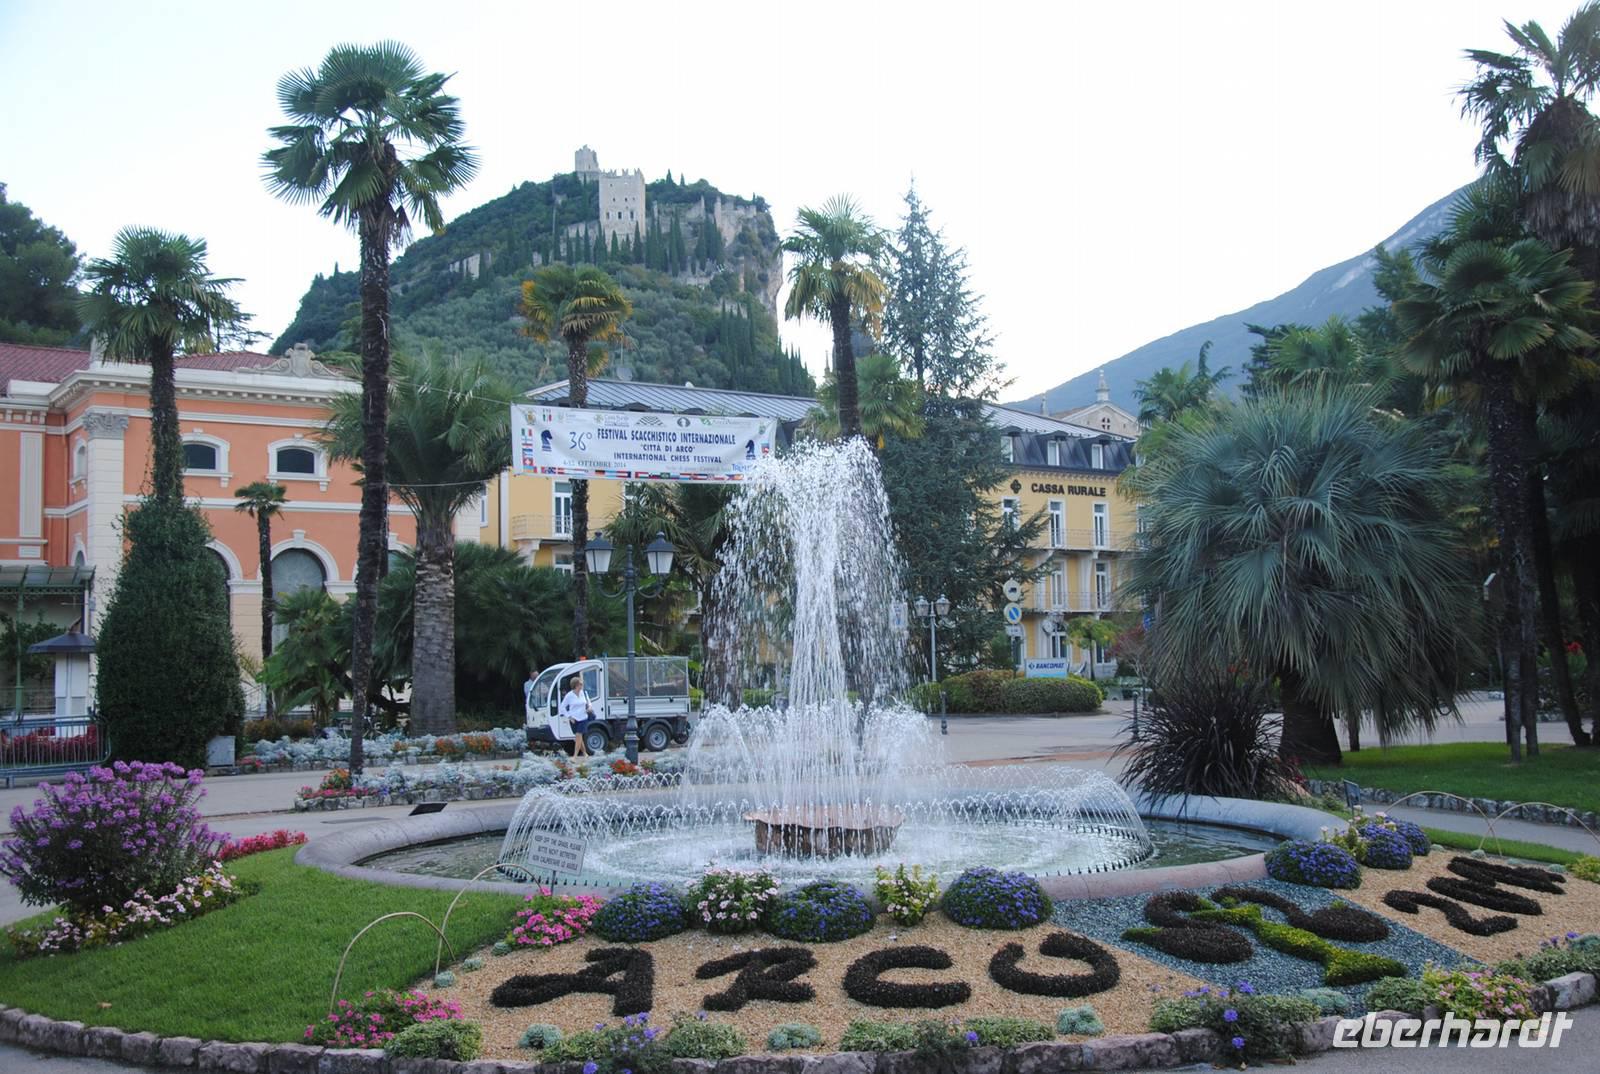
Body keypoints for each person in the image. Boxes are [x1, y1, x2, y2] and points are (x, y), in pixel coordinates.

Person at [559, 674, 595, 758]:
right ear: (575, 685)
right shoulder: (569, 696)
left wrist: (589, 707)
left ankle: (575, 756)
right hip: (574, 719)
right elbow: (562, 707)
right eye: (580, 684)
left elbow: (589, 702)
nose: (582, 686)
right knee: (579, 737)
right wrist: (569, 716)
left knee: (579, 735)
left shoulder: (584, 693)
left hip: (583, 717)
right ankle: (585, 754)